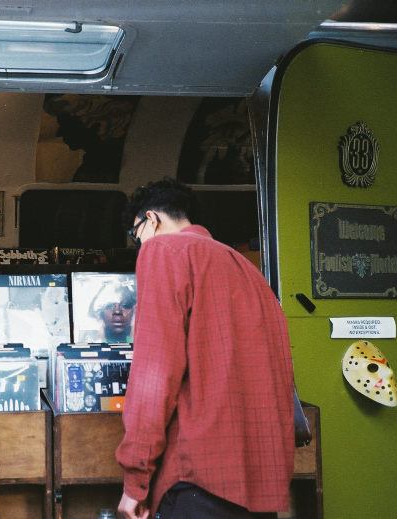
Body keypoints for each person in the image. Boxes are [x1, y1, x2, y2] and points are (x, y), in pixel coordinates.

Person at [115, 179, 295, 519]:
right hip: (260, 481)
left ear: (151, 219)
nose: (140, 247)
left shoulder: (164, 250)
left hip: (196, 475)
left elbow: (155, 373)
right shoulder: (245, 267)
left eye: (135, 236)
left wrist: (135, 479)